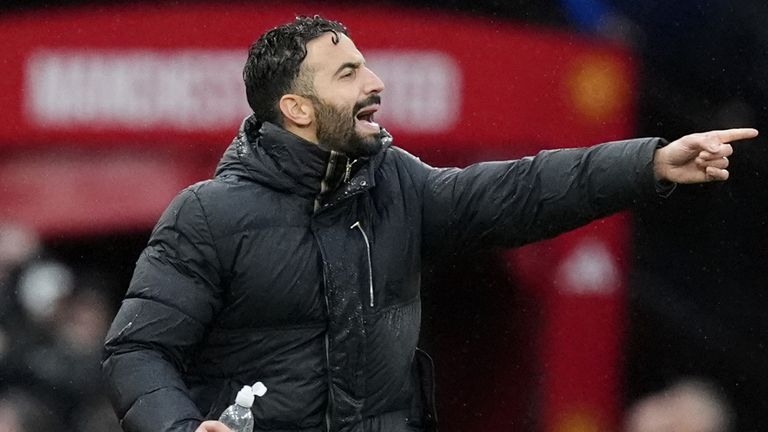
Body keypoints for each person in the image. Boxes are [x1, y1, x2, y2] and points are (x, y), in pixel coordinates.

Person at [101, 15, 757, 432]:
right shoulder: (207, 215)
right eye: (349, 72)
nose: (376, 82)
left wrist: (649, 163)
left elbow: (522, 189)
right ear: (296, 109)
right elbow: (137, 350)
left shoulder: (399, 186)